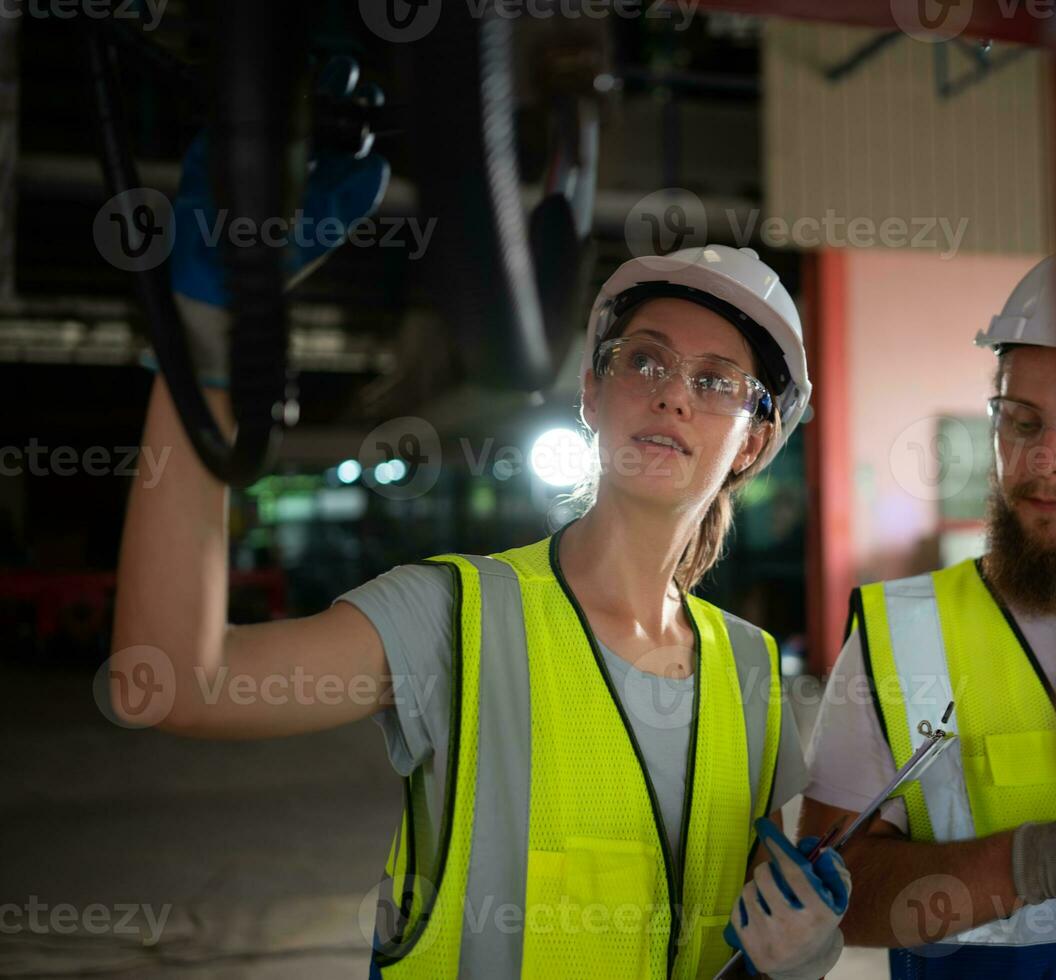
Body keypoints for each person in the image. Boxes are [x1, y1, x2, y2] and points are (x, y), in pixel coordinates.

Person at [110, 61, 850, 978]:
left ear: (752, 443)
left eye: (716, 383)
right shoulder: (456, 620)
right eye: (645, 361)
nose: (673, 398)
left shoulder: (755, 679)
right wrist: (207, 345)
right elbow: (170, 684)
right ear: (590, 393)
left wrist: (802, 956)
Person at [797, 255, 1056, 979]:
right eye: (1021, 422)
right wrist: (1030, 863)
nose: (1047, 460)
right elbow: (834, 899)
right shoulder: (903, 635)